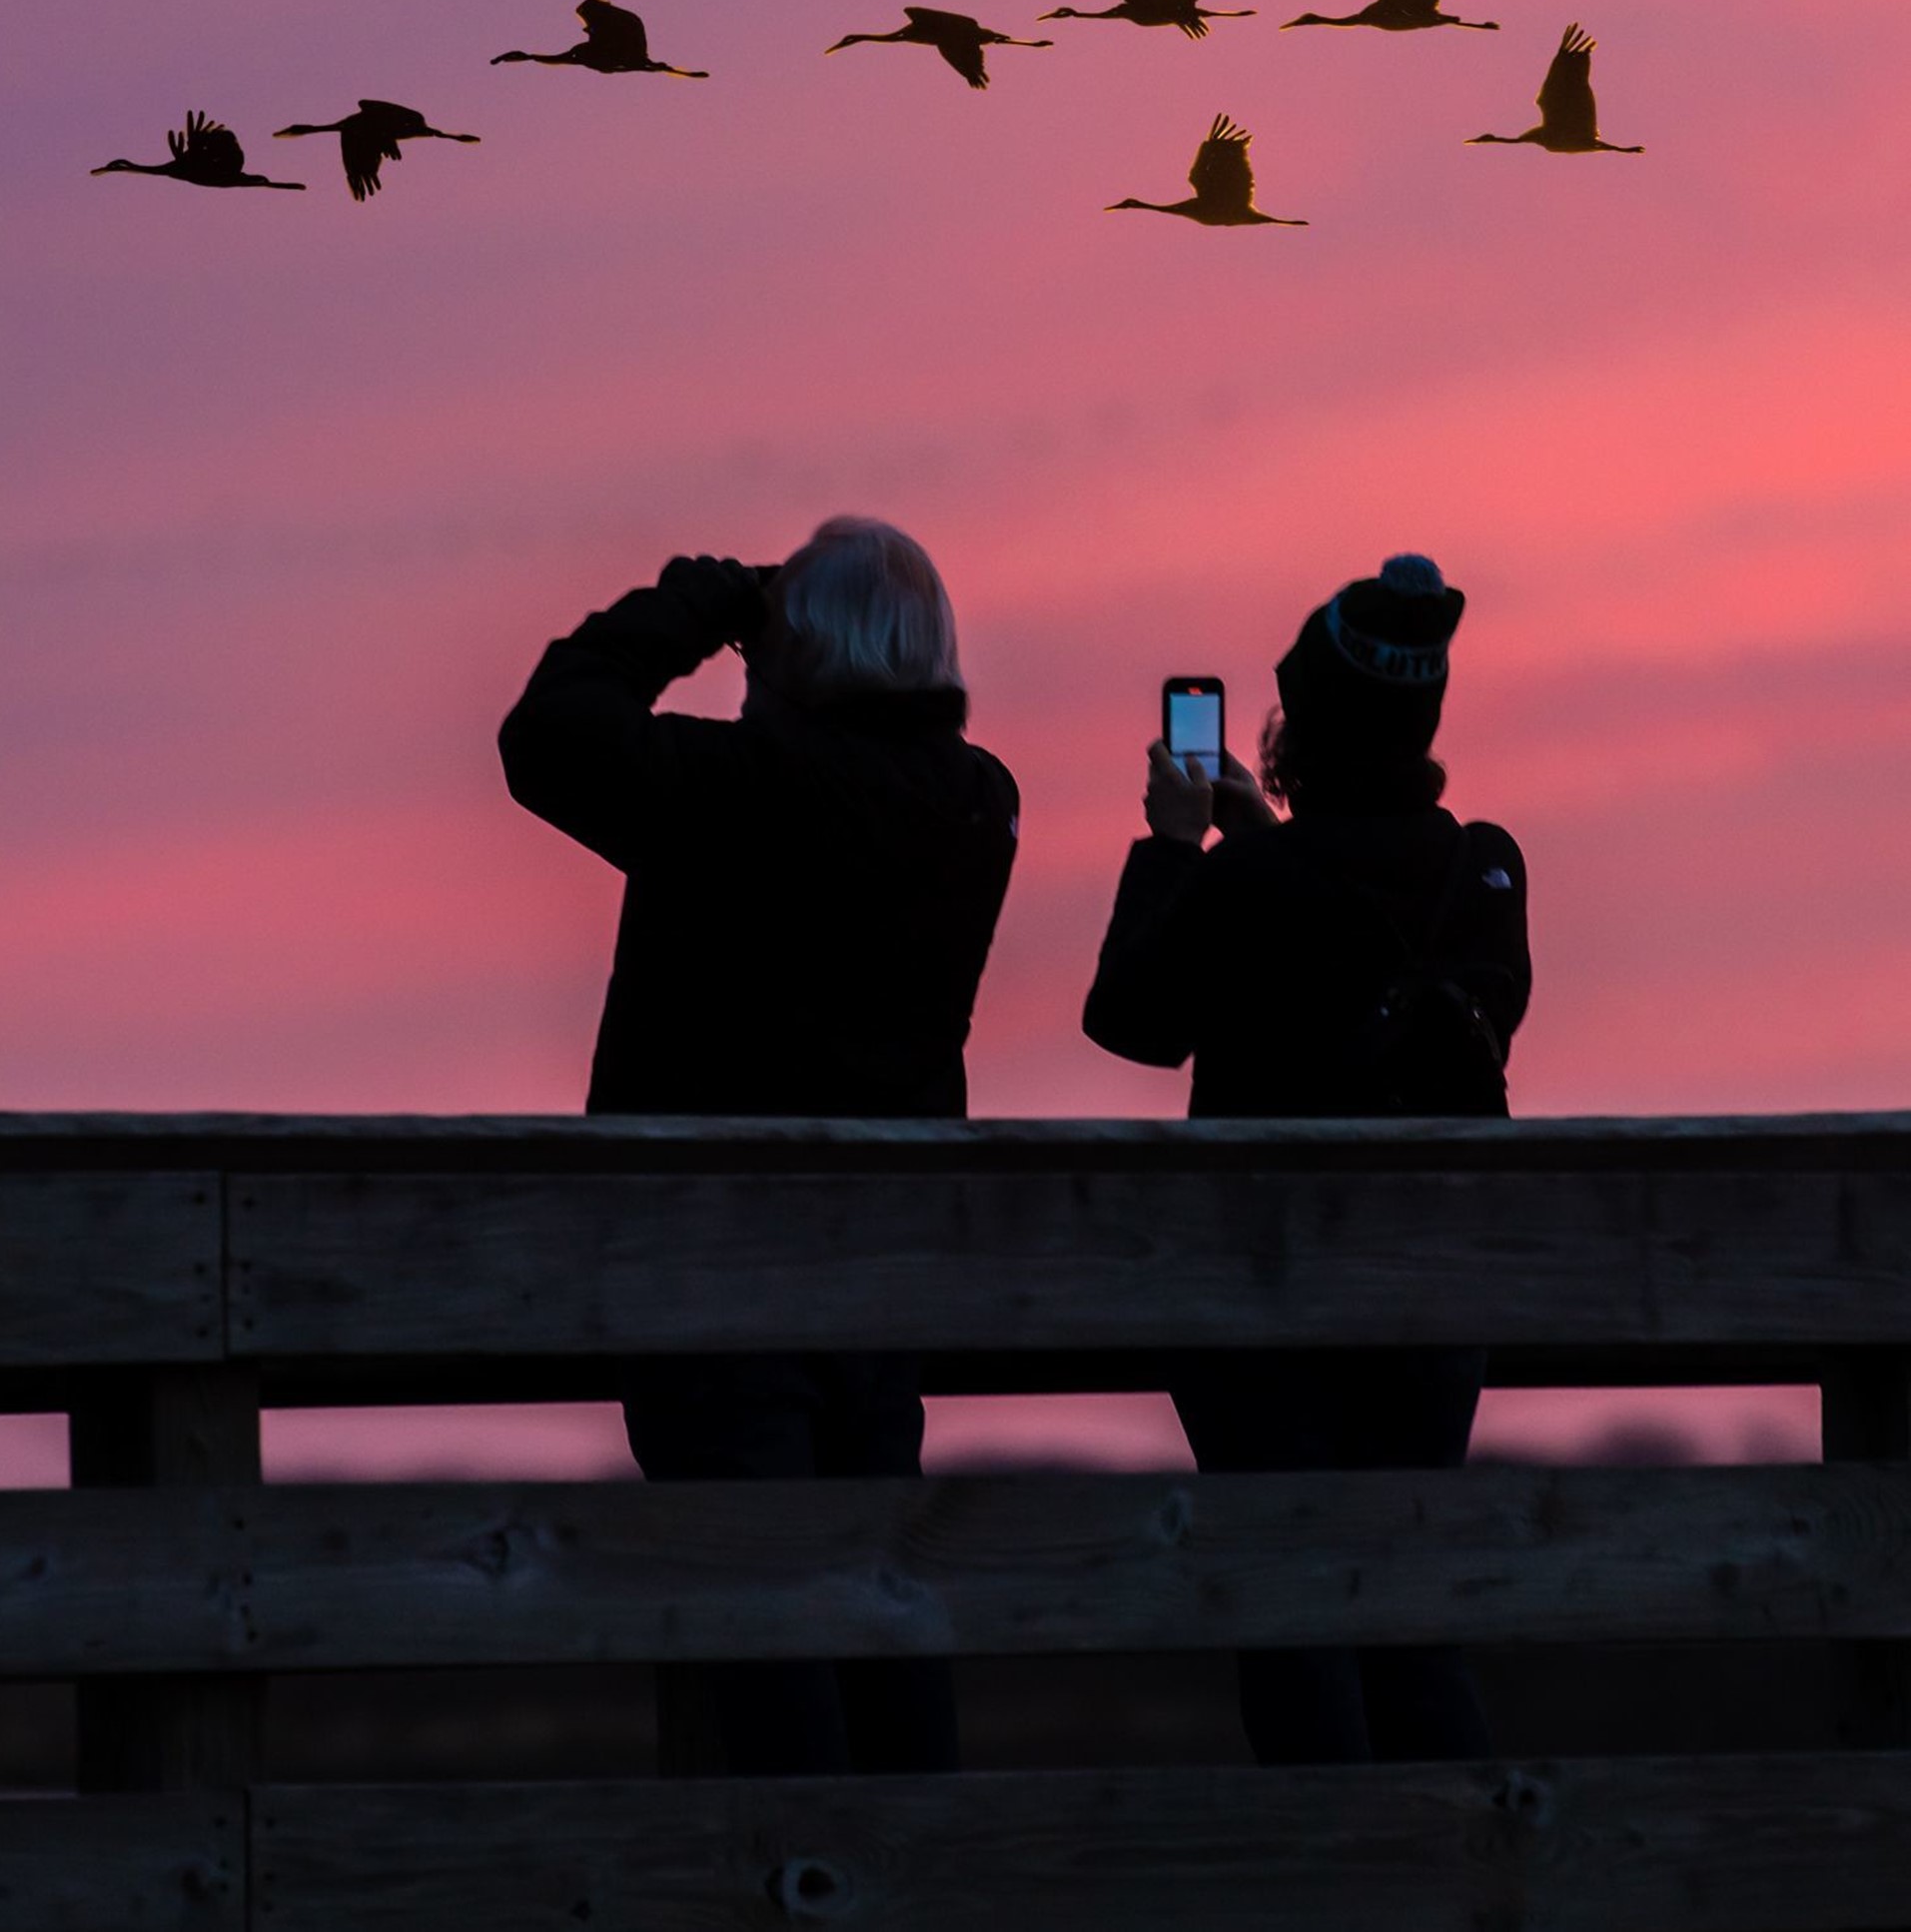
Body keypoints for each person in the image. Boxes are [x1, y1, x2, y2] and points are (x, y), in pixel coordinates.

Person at [498, 516, 1018, 1776]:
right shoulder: (978, 806)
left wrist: (702, 600)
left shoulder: (738, 792)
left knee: (765, 1635)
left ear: (796, 647)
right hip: (884, 1286)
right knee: (880, 1605)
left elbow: (550, 732)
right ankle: (924, 1879)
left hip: (711, 1283)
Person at [1083, 553, 1530, 1765]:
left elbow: (1130, 1020)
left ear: (1304, 721)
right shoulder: (1486, 870)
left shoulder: (1250, 881)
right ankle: (1459, 1876)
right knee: (1408, 1615)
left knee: (1295, 1621)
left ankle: (1332, 1870)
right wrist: (1261, 845)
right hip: (1436, 1299)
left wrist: (1180, 846)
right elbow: (1358, 935)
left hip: (1263, 1309)